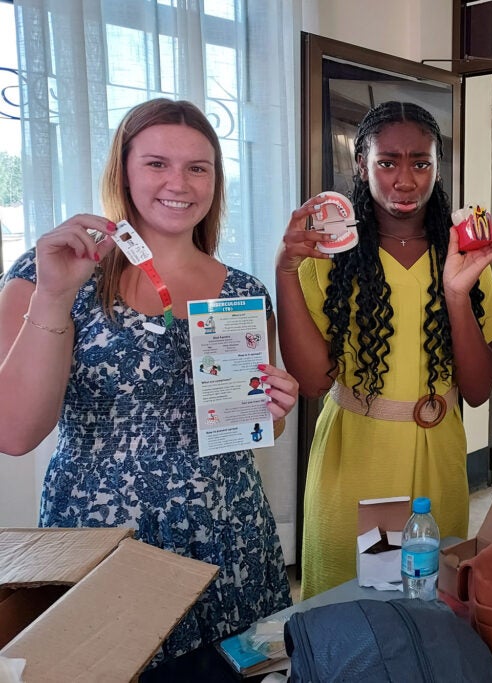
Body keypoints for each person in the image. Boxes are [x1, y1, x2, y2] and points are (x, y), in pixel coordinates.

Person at [0, 98, 297, 663]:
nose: (178, 183)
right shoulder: (52, 271)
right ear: (124, 171)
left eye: (197, 167)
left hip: (227, 530)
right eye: (157, 163)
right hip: (102, 535)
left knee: (232, 673)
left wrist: (271, 412)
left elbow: (251, 434)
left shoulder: (242, 291)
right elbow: (13, 433)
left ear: (215, 179)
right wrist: (55, 296)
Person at [275, 101, 492, 598]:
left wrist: (456, 295)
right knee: (350, 599)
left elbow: (478, 388)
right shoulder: (329, 256)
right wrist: (285, 272)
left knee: (428, 599)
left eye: (420, 163)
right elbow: (314, 381)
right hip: (355, 455)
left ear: (437, 167)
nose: (405, 180)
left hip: (436, 453)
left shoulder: (463, 253)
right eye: (388, 162)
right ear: (362, 164)